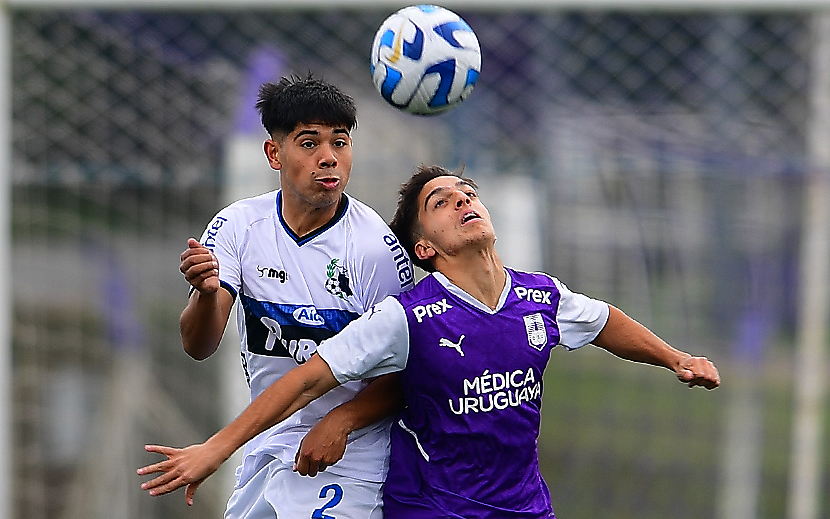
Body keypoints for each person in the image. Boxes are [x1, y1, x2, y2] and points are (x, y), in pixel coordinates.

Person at [139, 165, 720, 518]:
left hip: (522, 506)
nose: (463, 201)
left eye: (467, 193)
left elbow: (603, 323)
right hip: (432, 508)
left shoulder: (540, 297)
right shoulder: (409, 317)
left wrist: (676, 358)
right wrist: (217, 449)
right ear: (423, 248)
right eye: (441, 202)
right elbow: (308, 378)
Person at [168, 73, 415, 518]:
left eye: (340, 143)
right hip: (269, 442)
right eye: (309, 143)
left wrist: (341, 420)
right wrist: (205, 296)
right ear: (273, 153)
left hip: (350, 452)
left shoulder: (376, 247)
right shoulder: (237, 226)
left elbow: (406, 374)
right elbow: (198, 346)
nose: (328, 158)